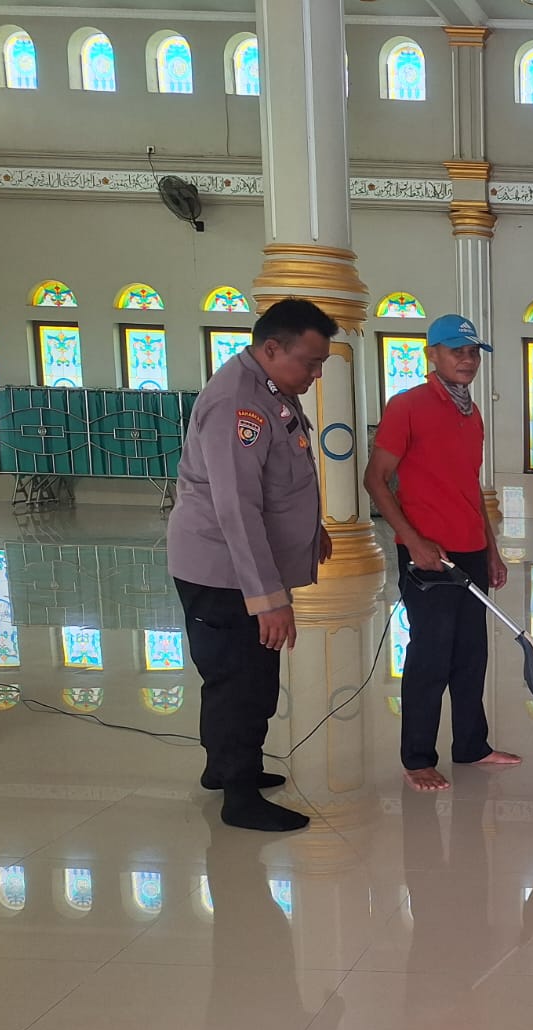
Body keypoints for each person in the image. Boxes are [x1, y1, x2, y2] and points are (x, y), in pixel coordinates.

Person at [168, 298, 338, 832]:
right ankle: (239, 797)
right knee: (239, 681)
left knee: (249, 676)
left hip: (237, 568)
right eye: (309, 363)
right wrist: (267, 599)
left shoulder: (269, 390)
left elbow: (280, 476)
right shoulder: (236, 403)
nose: (315, 375)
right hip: (223, 572)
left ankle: (225, 768)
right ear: (271, 348)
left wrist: (312, 529)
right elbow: (236, 507)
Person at [364, 313, 521, 791]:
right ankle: (417, 758)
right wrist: (413, 541)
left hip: (470, 549)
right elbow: (375, 479)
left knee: (471, 654)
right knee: (431, 655)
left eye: (473, 352)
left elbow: (469, 486)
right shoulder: (407, 406)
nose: (467, 360)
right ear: (432, 354)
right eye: (457, 351)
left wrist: (491, 549)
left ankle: (471, 744)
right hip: (428, 555)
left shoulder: (470, 414)